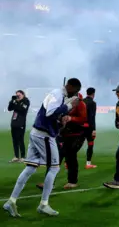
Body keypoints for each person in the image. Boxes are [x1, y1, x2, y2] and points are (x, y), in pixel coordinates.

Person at [3, 78, 82, 218]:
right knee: (54, 168)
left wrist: (62, 120)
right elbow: (50, 113)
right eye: (75, 91)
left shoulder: (58, 94)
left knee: (30, 168)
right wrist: (68, 107)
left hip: (36, 132)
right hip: (44, 135)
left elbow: (53, 115)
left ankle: (11, 201)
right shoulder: (58, 94)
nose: (74, 95)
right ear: (69, 86)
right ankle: (43, 204)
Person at [8, 90, 30, 163]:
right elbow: (9, 108)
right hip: (14, 122)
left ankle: (23, 156)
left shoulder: (26, 101)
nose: (17, 97)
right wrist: (12, 101)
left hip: (21, 123)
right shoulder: (15, 101)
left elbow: (22, 109)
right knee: (14, 140)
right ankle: (16, 156)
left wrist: (16, 102)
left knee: (20, 140)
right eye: (16, 95)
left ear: (23, 94)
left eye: (19, 95)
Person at [83, 88, 98, 169]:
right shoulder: (93, 103)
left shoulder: (82, 101)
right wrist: (94, 129)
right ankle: (88, 164)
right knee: (90, 145)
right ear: (93, 94)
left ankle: (67, 163)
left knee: (75, 145)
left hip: (80, 126)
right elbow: (92, 117)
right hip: (89, 128)